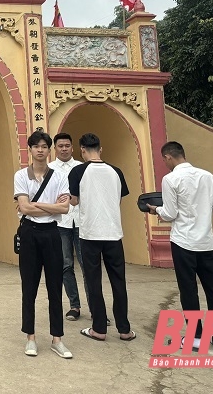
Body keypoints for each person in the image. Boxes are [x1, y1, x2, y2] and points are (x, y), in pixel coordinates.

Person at [148, 141, 213, 350]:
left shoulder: (170, 179)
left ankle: (196, 336)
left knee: (188, 289)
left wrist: (156, 210)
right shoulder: (207, 176)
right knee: (212, 287)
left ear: (168, 157)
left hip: (183, 242)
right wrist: (200, 208)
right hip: (206, 242)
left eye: (164, 160)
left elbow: (171, 213)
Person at [68, 133, 135, 343]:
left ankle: (98, 328)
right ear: (101, 149)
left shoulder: (78, 171)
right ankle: (124, 329)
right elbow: (118, 199)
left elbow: (74, 201)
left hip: (89, 234)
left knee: (93, 281)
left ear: (82, 150)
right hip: (113, 233)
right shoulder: (116, 171)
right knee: (119, 281)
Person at [14, 131, 73, 359]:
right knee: (29, 287)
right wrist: (49, 205)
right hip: (29, 233)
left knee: (55, 286)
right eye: (36, 146)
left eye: (44, 146)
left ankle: (57, 339)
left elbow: (65, 208)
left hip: (51, 233)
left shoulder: (59, 176)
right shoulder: (20, 175)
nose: (40, 150)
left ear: (50, 150)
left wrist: (33, 204)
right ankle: (30, 337)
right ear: (30, 149)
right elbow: (25, 210)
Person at [49, 133, 86, 322]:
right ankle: (75, 305)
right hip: (60, 223)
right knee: (66, 265)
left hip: (82, 222)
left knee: (88, 265)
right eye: (60, 146)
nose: (64, 149)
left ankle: (97, 307)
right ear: (55, 148)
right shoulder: (49, 169)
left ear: (73, 148)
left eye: (67, 145)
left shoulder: (82, 167)